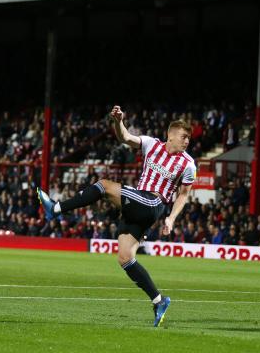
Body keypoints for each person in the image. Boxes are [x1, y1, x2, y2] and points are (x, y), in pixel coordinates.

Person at [37, 105, 196, 327]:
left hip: (153, 202)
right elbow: (125, 137)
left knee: (104, 185)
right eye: (184, 137)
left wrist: (171, 218)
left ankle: (55, 209)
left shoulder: (188, 163)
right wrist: (118, 121)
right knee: (125, 258)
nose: (187, 141)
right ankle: (159, 300)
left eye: (189, 138)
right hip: (139, 203)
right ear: (170, 135)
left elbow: (184, 195)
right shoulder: (152, 144)